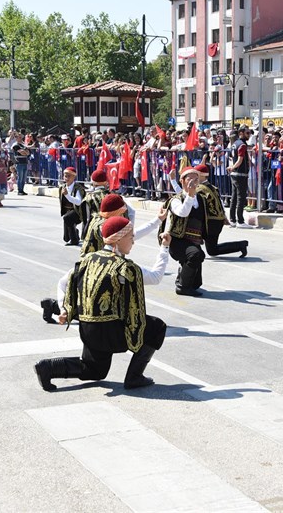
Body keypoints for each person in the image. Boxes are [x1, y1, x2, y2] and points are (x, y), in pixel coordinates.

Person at [33, 216, 170, 391]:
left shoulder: (86, 260)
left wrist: (65, 309)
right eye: (130, 238)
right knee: (157, 327)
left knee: (95, 370)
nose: (133, 242)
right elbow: (142, 300)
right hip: (110, 333)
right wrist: (164, 248)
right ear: (118, 239)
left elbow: (63, 283)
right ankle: (134, 377)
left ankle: (48, 368)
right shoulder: (125, 267)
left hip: (88, 330)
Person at [165, 167, 205, 296]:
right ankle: (182, 287)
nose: (193, 181)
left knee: (196, 283)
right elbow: (183, 212)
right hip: (177, 241)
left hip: (194, 240)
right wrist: (191, 194)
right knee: (195, 254)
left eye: (196, 179)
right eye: (190, 178)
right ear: (182, 181)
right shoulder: (176, 200)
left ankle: (184, 277)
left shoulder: (201, 199)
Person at [228, 127, 252, 227]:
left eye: (249, 132)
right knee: (240, 198)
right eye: (247, 133)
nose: (249, 134)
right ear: (241, 133)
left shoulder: (234, 144)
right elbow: (240, 160)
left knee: (234, 198)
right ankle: (240, 221)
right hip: (240, 174)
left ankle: (232, 220)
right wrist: (233, 167)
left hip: (234, 175)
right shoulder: (242, 145)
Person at [59, 167, 84, 246]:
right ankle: (74, 231)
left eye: (69, 176)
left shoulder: (78, 188)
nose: (66, 178)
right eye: (65, 176)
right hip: (68, 212)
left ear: (74, 177)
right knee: (66, 238)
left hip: (78, 212)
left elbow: (78, 202)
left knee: (67, 218)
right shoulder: (62, 188)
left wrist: (67, 195)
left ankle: (74, 240)